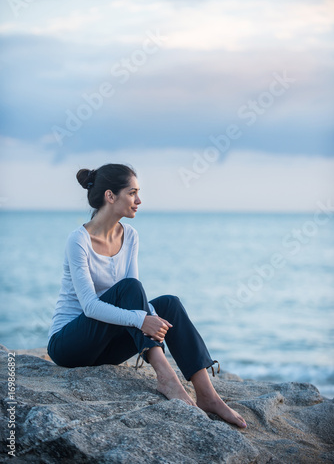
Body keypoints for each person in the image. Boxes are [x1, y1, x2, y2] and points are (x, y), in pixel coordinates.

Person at [47, 163, 247, 429]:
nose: (139, 200)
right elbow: (91, 307)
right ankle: (166, 377)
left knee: (170, 305)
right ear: (110, 196)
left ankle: (207, 394)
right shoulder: (79, 240)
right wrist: (142, 320)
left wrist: (146, 317)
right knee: (131, 290)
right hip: (69, 345)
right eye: (132, 193)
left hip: (105, 348)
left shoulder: (130, 236)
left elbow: (134, 296)